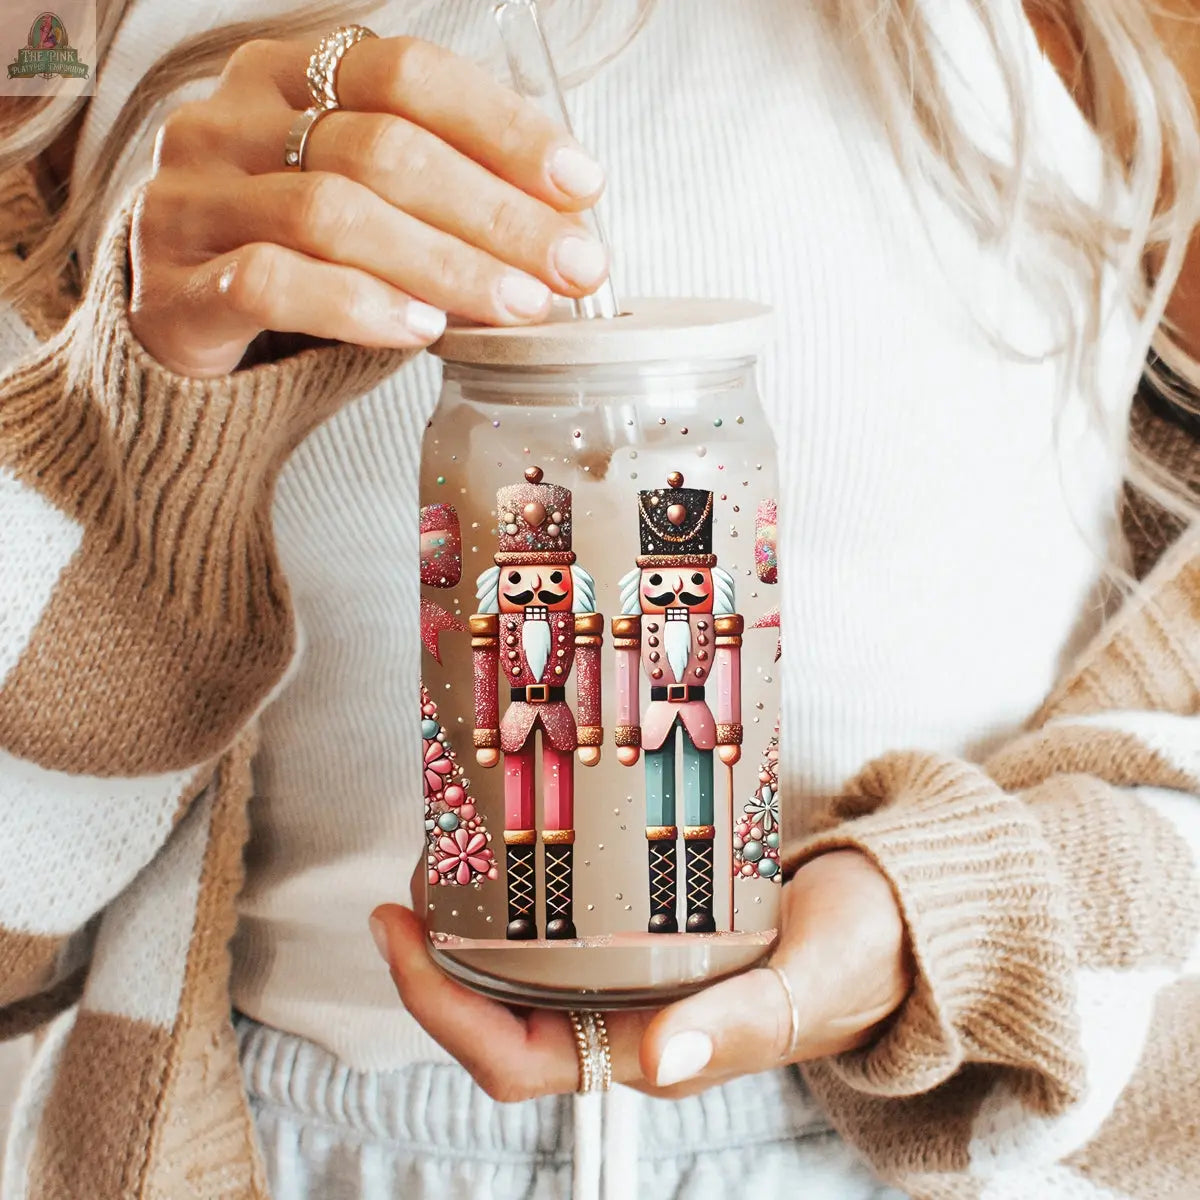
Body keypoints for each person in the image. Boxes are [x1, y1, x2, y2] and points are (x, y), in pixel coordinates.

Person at [0, 2, 1196, 1198]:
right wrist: (131, 429)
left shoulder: (1103, 39)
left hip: (935, 1141)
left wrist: (961, 921)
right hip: (279, 1146)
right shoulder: (58, 47)